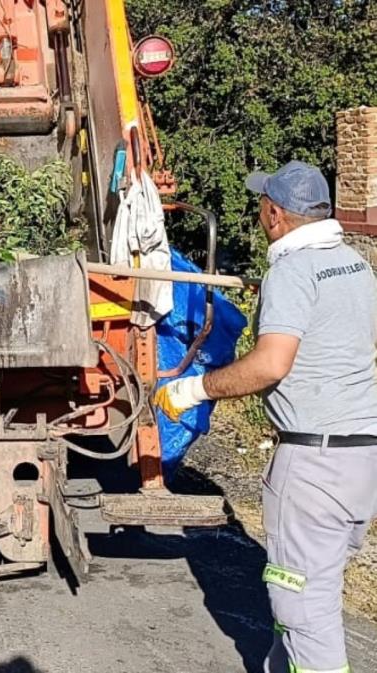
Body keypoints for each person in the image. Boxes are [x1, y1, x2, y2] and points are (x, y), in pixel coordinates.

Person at [154, 160, 377, 673]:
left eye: (262, 204)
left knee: (302, 607)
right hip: (360, 456)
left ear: (275, 214)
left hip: (312, 462)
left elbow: (272, 363)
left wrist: (193, 389)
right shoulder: (354, 264)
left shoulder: (292, 271)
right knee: (310, 591)